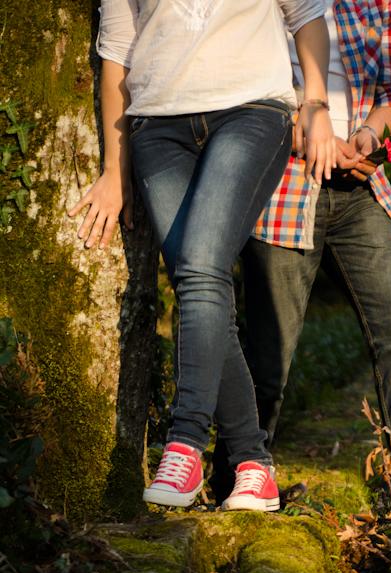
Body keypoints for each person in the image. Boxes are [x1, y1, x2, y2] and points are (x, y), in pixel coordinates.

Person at [68, 0, 335, 511]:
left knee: (202, 271)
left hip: (252, 112)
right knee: (199, 283)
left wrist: (315, 104)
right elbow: (116, 58)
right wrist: (112, 168)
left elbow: (306, 17)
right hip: (156, 128)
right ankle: (255, 466)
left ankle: (184, 443)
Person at [241, 0, 391, 531]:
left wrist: (368, 135)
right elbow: (242, 98)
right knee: (270, 347)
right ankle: (243, 470)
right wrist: (310, 138)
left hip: (361, 189)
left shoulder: (374, 3)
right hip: (282, 186)